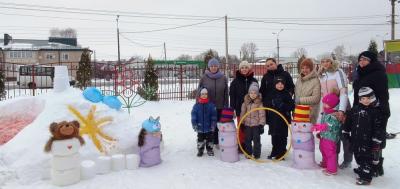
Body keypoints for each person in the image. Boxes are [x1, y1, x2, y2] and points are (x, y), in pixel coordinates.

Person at [352, 51, 391, 176]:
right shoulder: (360, 73)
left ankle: (376, 167)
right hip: (361, 111)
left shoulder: (379, 74)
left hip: (376, 112)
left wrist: (381, 113)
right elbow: (357, 95)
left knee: (374, 141)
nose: (362, 62)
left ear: (371, 61)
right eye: (360, 59)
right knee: (362, 140)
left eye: (365, 59)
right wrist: (355, 109)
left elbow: (383, 95)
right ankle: (364, 165)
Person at [343, 87, 384, 185]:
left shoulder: (375, 112)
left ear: (372, 98)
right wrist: (346, 132)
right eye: (363, 98)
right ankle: (362, 168)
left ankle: (366, 178)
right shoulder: (354, 110)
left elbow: (378, 128)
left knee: (366, 159)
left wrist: (376, 140)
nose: (366, 100)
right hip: (356, 140)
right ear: (360, 99)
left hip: (368, 142)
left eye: (368, 98)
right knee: (358, 157)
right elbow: (348, 122)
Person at [318, 54, 352, 169]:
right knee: (328, 135)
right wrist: (322, 111)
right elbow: (323, 94)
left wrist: (341, 110)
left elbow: (343, 92)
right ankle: (331, 160)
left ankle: (347, 160)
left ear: (332, 62)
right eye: (323, 61)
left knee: (343, 135)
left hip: (340, 107)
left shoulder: (338, 72)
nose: (325, 63)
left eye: (328, 61)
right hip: (327, 109)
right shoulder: (322, 75)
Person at [198, 58, 229, 148]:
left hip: (220, 106)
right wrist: (199, 104)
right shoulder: (204, 77)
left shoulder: (223, 78)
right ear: (209, 67)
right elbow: (199, 92)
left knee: (219, 124)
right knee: (210, 125)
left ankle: (218, 141)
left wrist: (226, 105)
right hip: (208, 106)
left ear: (218, 67)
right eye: (212, 66)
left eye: (215, 66)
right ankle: (209, 141)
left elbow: (226, 93)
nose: (213, 67)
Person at [229, 60, 258, 150]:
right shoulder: (235, 81)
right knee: (241, 127)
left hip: (252, 109)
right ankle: (241, 145)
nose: (244, 69)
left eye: (246, 67)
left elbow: (258, 95)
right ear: (240, 69)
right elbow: (232, 95)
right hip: (239, 109)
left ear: (249, 68)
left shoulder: (254, 80)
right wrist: (232, 108)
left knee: (250, 128)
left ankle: (248, 144)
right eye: (242, 67)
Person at [264, 77, 295, 160]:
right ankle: (274, 151)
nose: (280, 85)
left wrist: (282, 105)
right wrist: (272, 103)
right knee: (274, 136)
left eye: (282, 84)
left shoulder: (286, 94)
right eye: (278, 83)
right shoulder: (271, 93)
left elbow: (291, 106)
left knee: (282, 136)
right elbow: (266, 103)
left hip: (283, 119)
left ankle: (281, 152)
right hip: (273, 119)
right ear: (275, 84)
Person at [313, 92, 341, 176]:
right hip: (324, 136)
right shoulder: (326, 112)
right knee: (323, 150)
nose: (324, 105)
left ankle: (332, 170)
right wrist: (320, 131)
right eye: (324, 103)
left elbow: (329, 126)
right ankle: (325, 164)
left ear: (332, 105)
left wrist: (318, 127)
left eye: (327, 104)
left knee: (330, 153)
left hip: (330, 138)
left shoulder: (334, 115)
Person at [240, 82, 265, 159]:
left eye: (255, 93)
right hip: (247, 125)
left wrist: (261, 124)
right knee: (247, 140)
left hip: (256, 125)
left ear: (257, 94)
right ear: (249, 93)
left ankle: (257, 153)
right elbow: (242, 114)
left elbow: (262, 114)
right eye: (251, 93)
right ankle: (248, 153)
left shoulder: (260, 104)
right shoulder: (245, 103)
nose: (253, 94)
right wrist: (242, 123)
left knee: (256, 140)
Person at [191, 87, 218, 157]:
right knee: (200, 139)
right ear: (200, 95)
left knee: (210, 139)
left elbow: (214, 116)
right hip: (200, 127)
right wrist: (194, 124)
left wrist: (213, 125)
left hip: (209, 127)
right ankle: (200, 150)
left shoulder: (211, 105)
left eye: (206, 94)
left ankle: (209, 149)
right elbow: (193, 116)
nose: (204, 95)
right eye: (202, 94)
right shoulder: (196, 106)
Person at [294, 58, 321, 124]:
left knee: (307, 133)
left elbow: (316, 98)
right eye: (302, 68)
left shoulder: (315, 80)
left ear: (311, 69)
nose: (304, 70)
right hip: (298, 111)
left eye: (307, 68)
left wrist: (299, 100)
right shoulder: (299, 79)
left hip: (309, 113)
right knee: (298, 132)